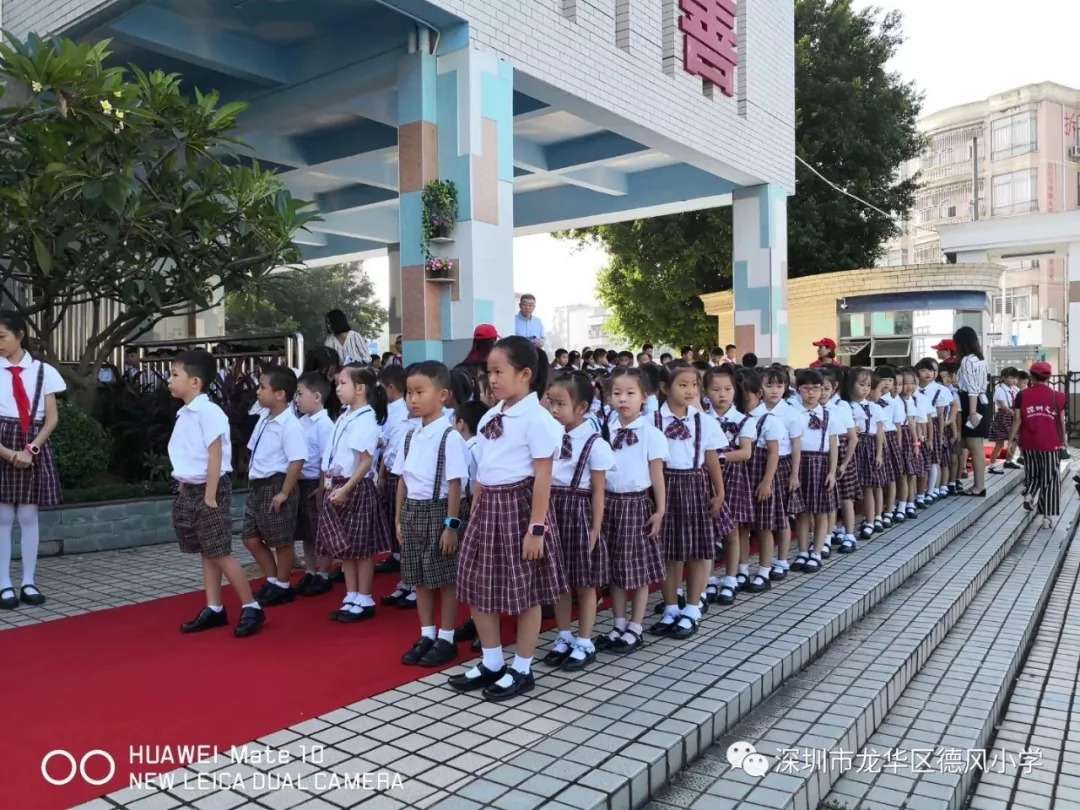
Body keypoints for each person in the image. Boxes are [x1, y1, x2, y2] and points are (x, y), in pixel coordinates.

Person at [447, 336, 565, 701]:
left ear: (525, 374)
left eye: (499, 371)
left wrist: (537, 528)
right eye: (489, 372)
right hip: (488, 509)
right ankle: (493, 661)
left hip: (520, 508)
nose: (492, 379)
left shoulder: (537, 419)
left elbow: (543, 476)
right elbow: (483, 470)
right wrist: (475, 511)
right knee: (477, 585)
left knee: (525, 591)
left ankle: (523, 668)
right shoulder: (491, 415)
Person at [167, 349, 264, 637]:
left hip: (210, 488)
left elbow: (215, 454)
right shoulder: (185, 412)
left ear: (195, 382)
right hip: (192, 487)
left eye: (175, 375)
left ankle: (251, 606)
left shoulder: (208, 412)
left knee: (220, 551)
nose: (169, 380)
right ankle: (215, 607)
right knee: (208, 551)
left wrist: (210, 496)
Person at [395, 361, 469, 667]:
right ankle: (426, 633)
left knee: (444, 579)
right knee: (419, 578)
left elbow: (456, 485)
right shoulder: (410, 435)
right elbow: (402, 478)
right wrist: (398, 517)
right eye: (409, 392)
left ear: (442, 395)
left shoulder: (449, 437)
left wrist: (451, 526)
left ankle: (446, 637)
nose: (412, 399)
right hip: (413, 511)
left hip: (440, 513)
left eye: (420, 392)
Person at [649, 363, 729, 640]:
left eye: (694, 385)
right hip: (664, 486)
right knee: (669, 553)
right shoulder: (651, 421)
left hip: (695, 485)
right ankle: (671, 606)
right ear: (664, 388)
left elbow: (711, 457)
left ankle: (693, 608)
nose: (690, 390)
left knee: (697, 552)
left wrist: (719, 492)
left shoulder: (703, 420)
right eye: (682, 385)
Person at [542, 372, 614, 671]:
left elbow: (599, 491)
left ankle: (585, 640)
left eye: (561, 404)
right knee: (558, 581)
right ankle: (563, 635)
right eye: (551, 403)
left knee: (584, 582)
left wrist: (596, 528)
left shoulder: (595, 444)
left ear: (582, 407)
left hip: (579, 513)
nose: (554, 410)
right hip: (552, 510)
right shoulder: (548, 435)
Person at [596, 368, 666, 654]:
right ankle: (618, 622)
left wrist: (660, 510)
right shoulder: (603, 430)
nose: (623, 399)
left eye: (630, 393)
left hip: (637, 504)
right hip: (609, 503)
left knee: (637, 569)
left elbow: (657, 475)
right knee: (614, 568)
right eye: (616, 393)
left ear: (644, 398)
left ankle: (636, 626)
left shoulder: (652, 434)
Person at [0, 312, 64, 611]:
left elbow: (51, 419)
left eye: (2, 336)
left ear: (20, 335)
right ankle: (3, 584)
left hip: (32, 444)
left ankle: (28, 580)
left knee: (28, 516)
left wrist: (31, 450)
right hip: (2, 445)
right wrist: (8, 453)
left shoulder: (44, 371)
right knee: (2, 519)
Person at [317, 367, 392, 623]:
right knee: (346, 548)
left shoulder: (365, 419)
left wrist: (346, 489)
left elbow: (365, 461)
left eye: (343, 383)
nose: (337, 388)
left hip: (354, 487)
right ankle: (351, 596)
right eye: (337, 383)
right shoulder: (346, 415)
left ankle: (365, 597)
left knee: (361, 549)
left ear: (360, 388)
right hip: (338, 484)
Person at [243, 366, 307, 607]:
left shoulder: (289, 424)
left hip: (276, 484)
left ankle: (282, 584)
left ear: (280, 394)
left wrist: (284, 492)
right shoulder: (264, 418)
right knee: (250, 536)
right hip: (258, 485)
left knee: (281, 539)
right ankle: (272, 579)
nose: (258, 391)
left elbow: (297, 460)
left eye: (262, 387)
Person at [703, 365, 754, 605]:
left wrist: (718, 457)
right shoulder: (701, 418)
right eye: (715, 389)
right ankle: (709, 577)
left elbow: (745, 452)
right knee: (709, 531)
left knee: (731, 531)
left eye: (727, 389)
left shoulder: (744, 420)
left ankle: (731, 577)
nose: (722, 394)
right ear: (705, 392)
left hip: (733, 478)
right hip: (707, 478)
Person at [789, 369, 840, 573]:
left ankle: (817, 552)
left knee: (821, 512)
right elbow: (793, 444)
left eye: (815, 388)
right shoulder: (794, 414)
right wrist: (793, 472)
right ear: (798, 390)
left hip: (821, 463)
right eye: (806, 388)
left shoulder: (829, 415)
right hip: (800, 463)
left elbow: (833, 445)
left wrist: (832, 472)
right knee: (802, 512)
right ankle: (802, 551)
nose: (811, 392)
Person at [1009, 361, 1064, 528]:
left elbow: (1017, 420)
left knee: (1032, 473)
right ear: (1049, 377)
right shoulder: (1058, 396)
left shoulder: (1022, 395)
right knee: (1050, 478)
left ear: (1032, 376)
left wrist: (1011, 440)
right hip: (1051, 443)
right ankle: (1046, 518)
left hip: (1029, 443)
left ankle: (1029, 495)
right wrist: (1065, 443)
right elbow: (1061, 422)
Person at [294, 372, 335, 597]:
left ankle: (323, 574)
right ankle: (310, 571)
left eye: (300, 394)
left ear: (317, 396)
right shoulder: (301, 422)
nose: (297, 399)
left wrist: (323, 488)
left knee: (321, 531)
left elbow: (326, 460)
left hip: (315, 483)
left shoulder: (324, 425)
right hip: (300, 482)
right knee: (307, 532)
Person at [375, 364, 410, 592]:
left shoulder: (402, 410)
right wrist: (381, 472)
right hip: (391, 470)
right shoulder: (392, 409)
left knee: (401, 522)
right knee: (392, 519)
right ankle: (397, 558)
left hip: (403, 474)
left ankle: (408, 575)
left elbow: (389, 443)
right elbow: (385, 443)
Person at [847, 367, 885, 541]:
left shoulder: (874, 407)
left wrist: (878, 454)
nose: (865, 389)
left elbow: (879, 432)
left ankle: (869, 520)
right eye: (861, 384)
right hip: (848, 447)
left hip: (867, 446)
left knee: (867, 486)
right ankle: (847, 525)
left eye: (868, 385)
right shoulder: (844, 405)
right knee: (848, 489)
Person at [953, 326, 989, 497]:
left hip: (972, 403)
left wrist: (972, 412)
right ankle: (979, 485)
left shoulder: (967, 360)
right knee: (978, 447)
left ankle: (978, 486)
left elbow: (972, 389)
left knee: (974, 446)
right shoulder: (980, 359)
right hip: (983, 402)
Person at [988, 367, 1021, 475]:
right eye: (1011, 378)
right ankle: (992, 464)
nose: (1014, 381)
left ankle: (1009, 460)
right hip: (1003, 416)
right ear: (1004, 378)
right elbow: (1003, 406)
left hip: (1014, 414)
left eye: (1016, 378)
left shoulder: (1016, 389)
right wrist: (1014, 413)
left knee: (1015, 438)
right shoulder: (1000, 390)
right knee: (1000, 442)